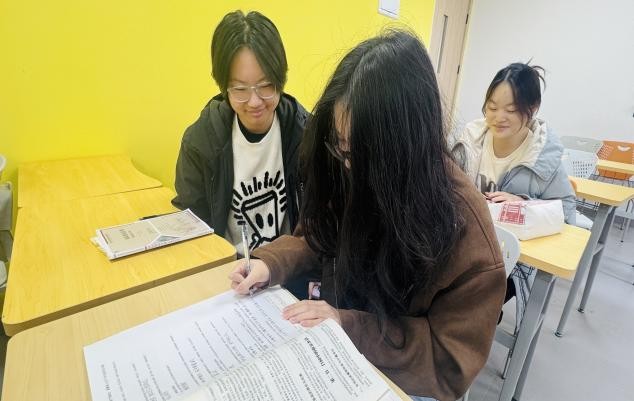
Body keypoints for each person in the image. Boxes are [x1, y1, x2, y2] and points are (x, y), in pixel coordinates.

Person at [229, 30, 506, 401]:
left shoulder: (466, 233)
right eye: (342, 146)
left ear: (406, 146)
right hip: (335, 345)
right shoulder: (349, 164)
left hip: (402, 378)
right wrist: (270, 263)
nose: (348, 166)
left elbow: (447, 364)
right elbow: (318, 234)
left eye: (361, 153)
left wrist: (348, 326)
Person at [172, 11, 312, 296]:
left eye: (266, 86)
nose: (254, 101)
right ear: (223, 86)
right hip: (228, 280)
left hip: (288, 278)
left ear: (281, 79)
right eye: (239, 89)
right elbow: (191, 226)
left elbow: (317, 231)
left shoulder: (306, 135)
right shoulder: (200, 142)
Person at [450, 63, 576, 320]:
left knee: (466, 305)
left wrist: (523, 202)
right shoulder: (469, 140)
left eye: (511, 110)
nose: (499, 117)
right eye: (492, 107)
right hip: (461, 243)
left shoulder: (543, 156)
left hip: (507, 261)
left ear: (533, 109)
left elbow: (566, 214)